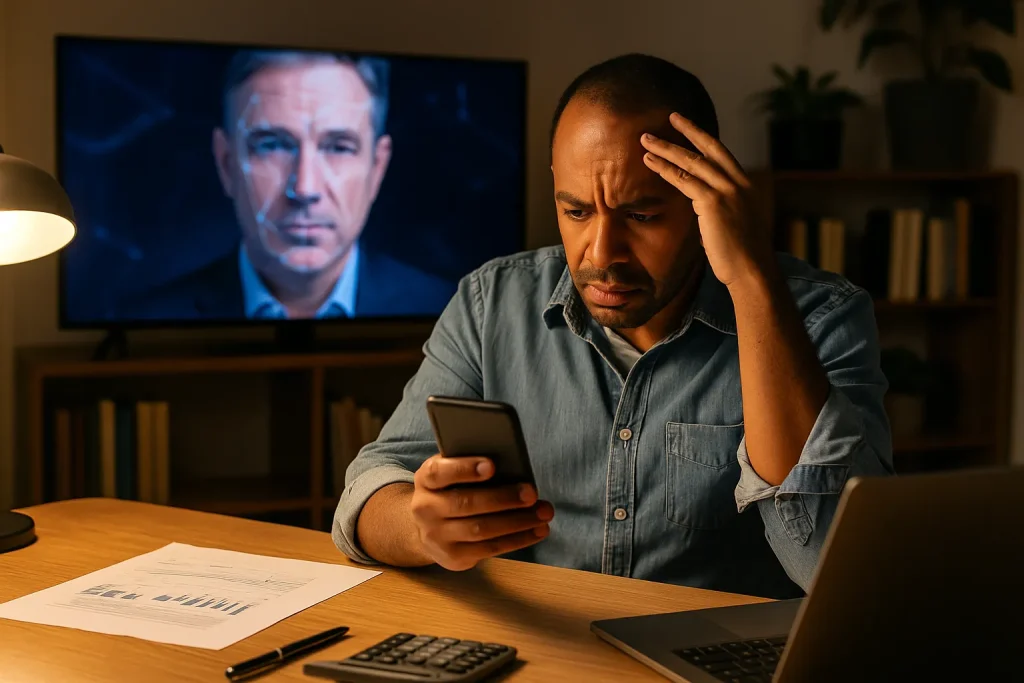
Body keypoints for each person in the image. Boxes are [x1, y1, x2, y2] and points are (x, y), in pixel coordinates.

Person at [332, 54, 893, 599]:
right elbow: (365, 494)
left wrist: (750, 283)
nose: (602, 254)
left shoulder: (821, 318)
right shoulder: (492, 302)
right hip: (552, 655)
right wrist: (422, 525)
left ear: (710, 198)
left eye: (642, 216)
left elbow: (832, 564)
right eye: (576, 211)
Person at [125, 49, 455, 320]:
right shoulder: (148, 316)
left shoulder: (448, 314)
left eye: (338, 147)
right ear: (226, 164)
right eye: (272, 144)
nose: (305, 188)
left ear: (377, 168)